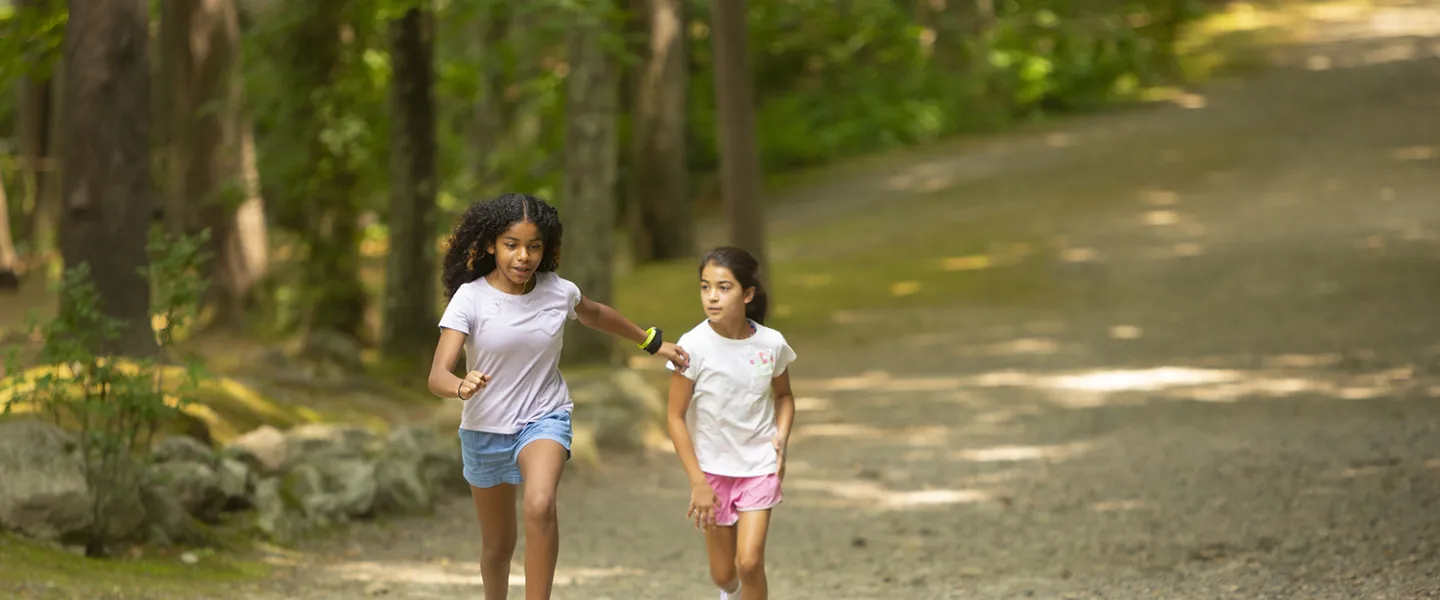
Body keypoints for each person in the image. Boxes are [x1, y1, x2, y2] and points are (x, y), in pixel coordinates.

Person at [427, 192, 690, 600]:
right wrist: (460, 385)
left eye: (534, 246)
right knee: (498, 547)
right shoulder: (471, 298)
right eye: (511, 245)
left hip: (543, 418)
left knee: (539, 504)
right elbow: (437, 375)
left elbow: (596, 313)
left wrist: (651, 343)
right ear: (492, 244)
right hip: (484, 430)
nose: (523, 257)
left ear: (546, 249)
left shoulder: (558, 291)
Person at [665, 246, 797, 600]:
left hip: (759, 466)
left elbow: (784, 397)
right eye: (705, 287)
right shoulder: (692, 346)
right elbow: (675, 417)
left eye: (724, 288)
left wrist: (781, 439)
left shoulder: (772, 344)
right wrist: (697, 482)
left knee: (750, 563)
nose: (712, 297)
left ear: (747, 294)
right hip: (712, 470)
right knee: (724, 576)